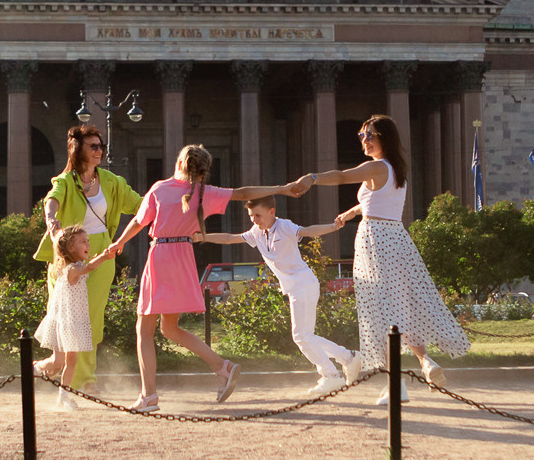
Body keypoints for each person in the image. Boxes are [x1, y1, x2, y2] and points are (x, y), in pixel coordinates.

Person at [104, 144, 297, 413]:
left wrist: (119, 242)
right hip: (183, 257)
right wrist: (283, 188)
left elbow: (139, 221)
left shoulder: (160, 189)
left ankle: (149, 397)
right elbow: (243, 193)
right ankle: (222, 366)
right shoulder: (205, 192)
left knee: (144, 330)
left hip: (161, 256)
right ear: (203, 170)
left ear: (179, 163)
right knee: (169, 328)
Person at [292, 113, 471, 401]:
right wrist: (351, 212)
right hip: (396, 238)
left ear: (384, 138)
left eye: (369, 135)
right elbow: (377, 201)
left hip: (375, 240)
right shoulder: (395, 169)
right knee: (401, 306)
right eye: (361, 135)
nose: (364, 140)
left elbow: (342, 176)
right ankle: (425, 361)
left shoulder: (375, 167)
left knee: (380, 312)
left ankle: (396, 383)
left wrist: (313, 178)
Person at [196, 197, 357, 393]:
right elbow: (230, 238)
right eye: (251, 216)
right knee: (306, 336)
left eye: (258, 215)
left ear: (272, 211)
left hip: (304, 284)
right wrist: (202, 236)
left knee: (301, 336)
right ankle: (348, 358)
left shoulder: (284, 226)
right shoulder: (256, 232)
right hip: (295, 287)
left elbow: (308, 231)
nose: (254, 220)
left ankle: (331, 375)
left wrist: (334, 226)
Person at [32, 125, 143, 398]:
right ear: (77, 149)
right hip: (67, 255)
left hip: (101, 252)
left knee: (90, 318)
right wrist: (53, 224)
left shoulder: (112, 181)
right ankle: (50, 365)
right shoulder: (65, 181)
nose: (99, 151)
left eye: (100, 146)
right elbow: (51, 201)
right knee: (65, 319)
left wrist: (172, 202)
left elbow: (141, 205)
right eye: (92, 146)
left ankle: (84, 379)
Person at [34, 226, 116, 406]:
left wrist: (101, 256)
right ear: (71, 248)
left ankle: (59, 393)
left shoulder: (75, 267)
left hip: (72, 321)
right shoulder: (72, 269)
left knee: (66, 361)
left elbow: (88, 265)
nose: (88, 244)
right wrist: (105, 255)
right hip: (65, 321)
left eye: (88, 240)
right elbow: (91, 267)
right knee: (60, 362)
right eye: (83, 242)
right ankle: (39, 370)